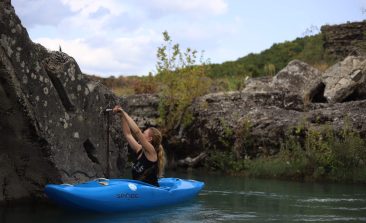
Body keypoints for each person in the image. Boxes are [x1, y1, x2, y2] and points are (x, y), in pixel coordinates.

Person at [113, 105, 166, 187]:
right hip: (138, 189)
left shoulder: (151, 152)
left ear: (149, 139)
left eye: (144, 133)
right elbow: (128, 135)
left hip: (151, 191)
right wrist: (122, 116)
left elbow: (137, 132)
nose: (142, 134)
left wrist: (124, 112)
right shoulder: (139, 149)